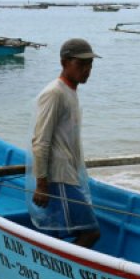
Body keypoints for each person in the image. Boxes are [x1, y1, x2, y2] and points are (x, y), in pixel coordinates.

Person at [27, 38, 101, 249]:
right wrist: (41, 184)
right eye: (81, 64)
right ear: (64, 62)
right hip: (57, 177)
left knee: (58, 233)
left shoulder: (70, 92)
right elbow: (40, 140)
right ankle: (64, 273)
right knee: (91, 232)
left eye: (90, 65)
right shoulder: (54, 93)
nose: (87, 69)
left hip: (68, 174)